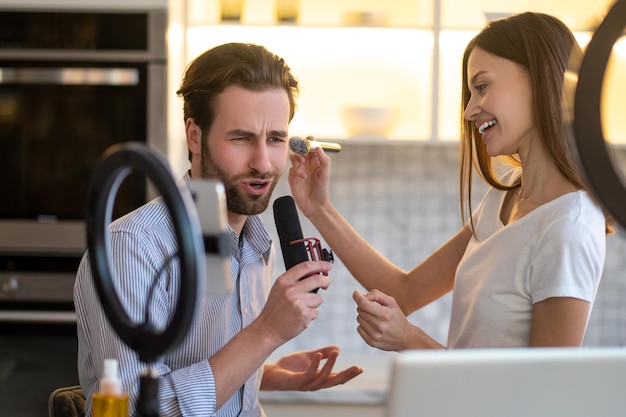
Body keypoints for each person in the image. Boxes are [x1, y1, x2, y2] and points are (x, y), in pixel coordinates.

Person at [288, 12, 611, 351]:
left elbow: (541, 394)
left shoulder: (568, 228)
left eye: (482, 87)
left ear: (544, 80)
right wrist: (320, 208)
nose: (470, 111)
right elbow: (405, 292)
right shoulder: (504, 199)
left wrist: (412, 340)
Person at [74, 42, 362, 417]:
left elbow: (197, 360)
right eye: (241, 138)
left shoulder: (258, 245)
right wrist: (266, 334)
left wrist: (266, 373)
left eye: (275, 139)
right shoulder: (131, 248)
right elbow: (134, 409)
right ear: (195, 136)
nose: (263, 163)